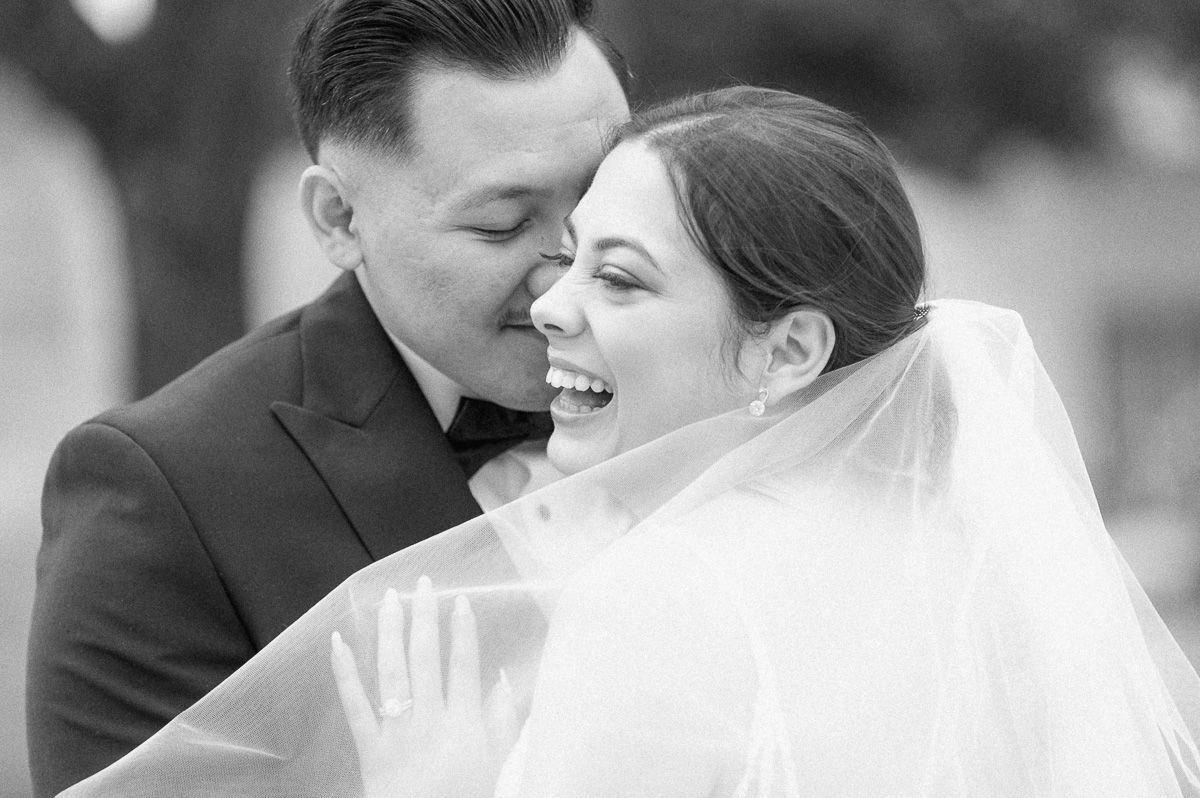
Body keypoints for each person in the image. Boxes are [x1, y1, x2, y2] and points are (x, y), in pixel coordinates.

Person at [57, 88, 1200, 796]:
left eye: (618, 276)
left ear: (786, 350)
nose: (552, 301)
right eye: (558, 250)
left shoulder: (660, 598)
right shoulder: (979, 570)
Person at [25, 0, 630, 794]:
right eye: (502, 223)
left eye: (602, 199)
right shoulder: (162, 493)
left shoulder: (731, 385)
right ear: (339, 217)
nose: (571, 274)